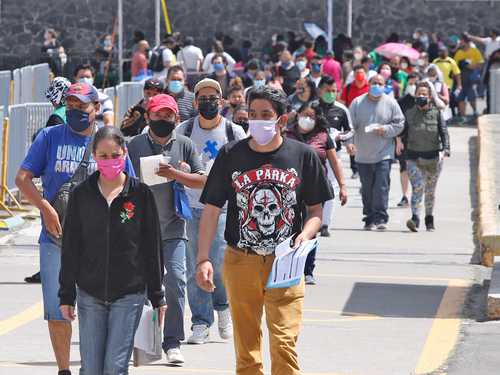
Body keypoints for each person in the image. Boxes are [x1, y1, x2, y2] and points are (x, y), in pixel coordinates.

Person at [196, 86, 333, 375]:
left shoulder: (303, 156)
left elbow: (316, 212)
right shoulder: (231, 155)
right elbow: (211, 208)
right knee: (247, 350)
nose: (258, 121)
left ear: (282, 119)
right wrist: (203, 258)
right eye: (254, 114)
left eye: (266, 115)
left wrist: (305, 235)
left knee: (284, 343)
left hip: (285, 262)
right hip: (240, 260)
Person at [15, 82, 133, 375]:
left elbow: (130, 191)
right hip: (56, 240)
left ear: (96, 108)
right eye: (71, 105)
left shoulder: (108, 142)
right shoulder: (50, 137)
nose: (76, 111)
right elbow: (23, 178)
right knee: (57, 313)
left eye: (82, 105)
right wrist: (45, 208)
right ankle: (64, 369)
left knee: (98, 312)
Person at [58, 126, 166, 375]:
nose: (109, 161)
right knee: (91, 368)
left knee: (114, 368)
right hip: (89, 293)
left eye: (115, 155)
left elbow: (152, 247)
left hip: (129, 294)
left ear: (124, 153)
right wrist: (66, 295)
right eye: (103, 156)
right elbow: (71, 247)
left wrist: (157, 295)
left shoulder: (141, 194)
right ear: (94, 156)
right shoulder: (81, 194)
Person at [127, 94, 205, 365]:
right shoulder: (133, 145)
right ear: (148, 117)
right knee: (138, 287)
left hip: (173, 227)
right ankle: (134, 342)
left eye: (168, 115)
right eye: (158, 115)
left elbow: (202, 179)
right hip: (139, 230)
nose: (163, 120)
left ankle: (172, 341)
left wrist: (178, 174)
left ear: (176, 118)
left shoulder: (184, 144)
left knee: (176, 281)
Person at [176, 78, 246, 345]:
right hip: (192, 206)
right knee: (196, 264)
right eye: (202, 97)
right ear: (195, 102)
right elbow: (172, 158)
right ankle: (200, 322)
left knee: (218, 264)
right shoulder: (184, 129)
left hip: (224, 208)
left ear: (221, 101)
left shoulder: (234, 132)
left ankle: (223, 306)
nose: (208, 102)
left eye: (213, 97)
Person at [285, 100, 347, 284]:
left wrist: (343, 186)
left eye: (311, 116)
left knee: (310, 229)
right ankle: (289, 267)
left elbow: (334, 162)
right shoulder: (287, 134)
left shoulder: (323, 136)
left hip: (315, 189)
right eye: (304, 115)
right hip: (290, 189)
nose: (307, 119)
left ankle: (308, 270)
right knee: (290, 229)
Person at [24, 76, 72, 284]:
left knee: (51, 226)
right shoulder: (72, 114)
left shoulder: (57, 117)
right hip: (72, 178)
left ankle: (49, 270)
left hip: (57, 181)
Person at [350, 74, 405, 230]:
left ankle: (381, 217)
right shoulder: (357, 102)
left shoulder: (391, 103)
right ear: (368, 84)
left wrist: (386, 130)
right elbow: (350, 126)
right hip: (363, 155)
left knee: (381, 186)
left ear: (384, 85)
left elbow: (400, 123)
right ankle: (369, 217)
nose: (377, 86)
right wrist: (349, 143)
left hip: (384, 154)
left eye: (380, 83)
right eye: (374, 83)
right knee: (367, 188)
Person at [400, 82, 450, 232]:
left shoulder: (437, 113)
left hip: (433, 158)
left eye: (424, 94)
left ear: (429, 97)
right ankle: (415, 218)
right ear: (415, 95)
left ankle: (429, 218)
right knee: (418, 186)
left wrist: (446, 148)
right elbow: (402, 132)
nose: (421, 96)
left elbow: (444, 132)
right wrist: (397, 142)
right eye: (419, 93)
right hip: (413, 157)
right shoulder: (409, 113)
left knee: (430, 190)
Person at [317, 76, 354, 236]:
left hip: (334, 154)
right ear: (320, 90)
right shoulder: (312, 108)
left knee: (330, 187)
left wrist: (341, 137)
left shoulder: (342, 109)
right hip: (315, 154)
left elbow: (350, 130)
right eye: (328, 91)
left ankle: (325, 224)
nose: (331, 94)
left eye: (334, 91)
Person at [395, 72, 420, 209]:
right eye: (410, 83)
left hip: (421, 142)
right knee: (403, 168)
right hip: (404, 140)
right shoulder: (401, 102)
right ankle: (405, 196)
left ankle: (416, 196)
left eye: (415, 83)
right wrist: (398, 140)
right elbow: (396, 122)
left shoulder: (424, 101)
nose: (412, 85)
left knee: (418, 170)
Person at [340, 65, 370, 179]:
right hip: (351, 120)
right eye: (357, 72)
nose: (359, 75)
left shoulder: (369, 86)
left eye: (361, 72)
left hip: (366, 120)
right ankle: (355, 169)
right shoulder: (348, 87)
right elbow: (342, 102)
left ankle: (365, 166)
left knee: (366, 144)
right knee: (352, 144)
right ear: (354, 74)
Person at [454, 34, 485, 120]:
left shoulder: (474, 51)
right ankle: (463, 117)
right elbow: (455, 66)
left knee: (472, 97)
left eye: (462, 41)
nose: (460, 43)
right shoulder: (459, 52)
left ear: (467, 42)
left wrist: (469, 66)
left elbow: (480, 64)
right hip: (461, 78)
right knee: (461, 98)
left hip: (472, 77)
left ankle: (475, 112)